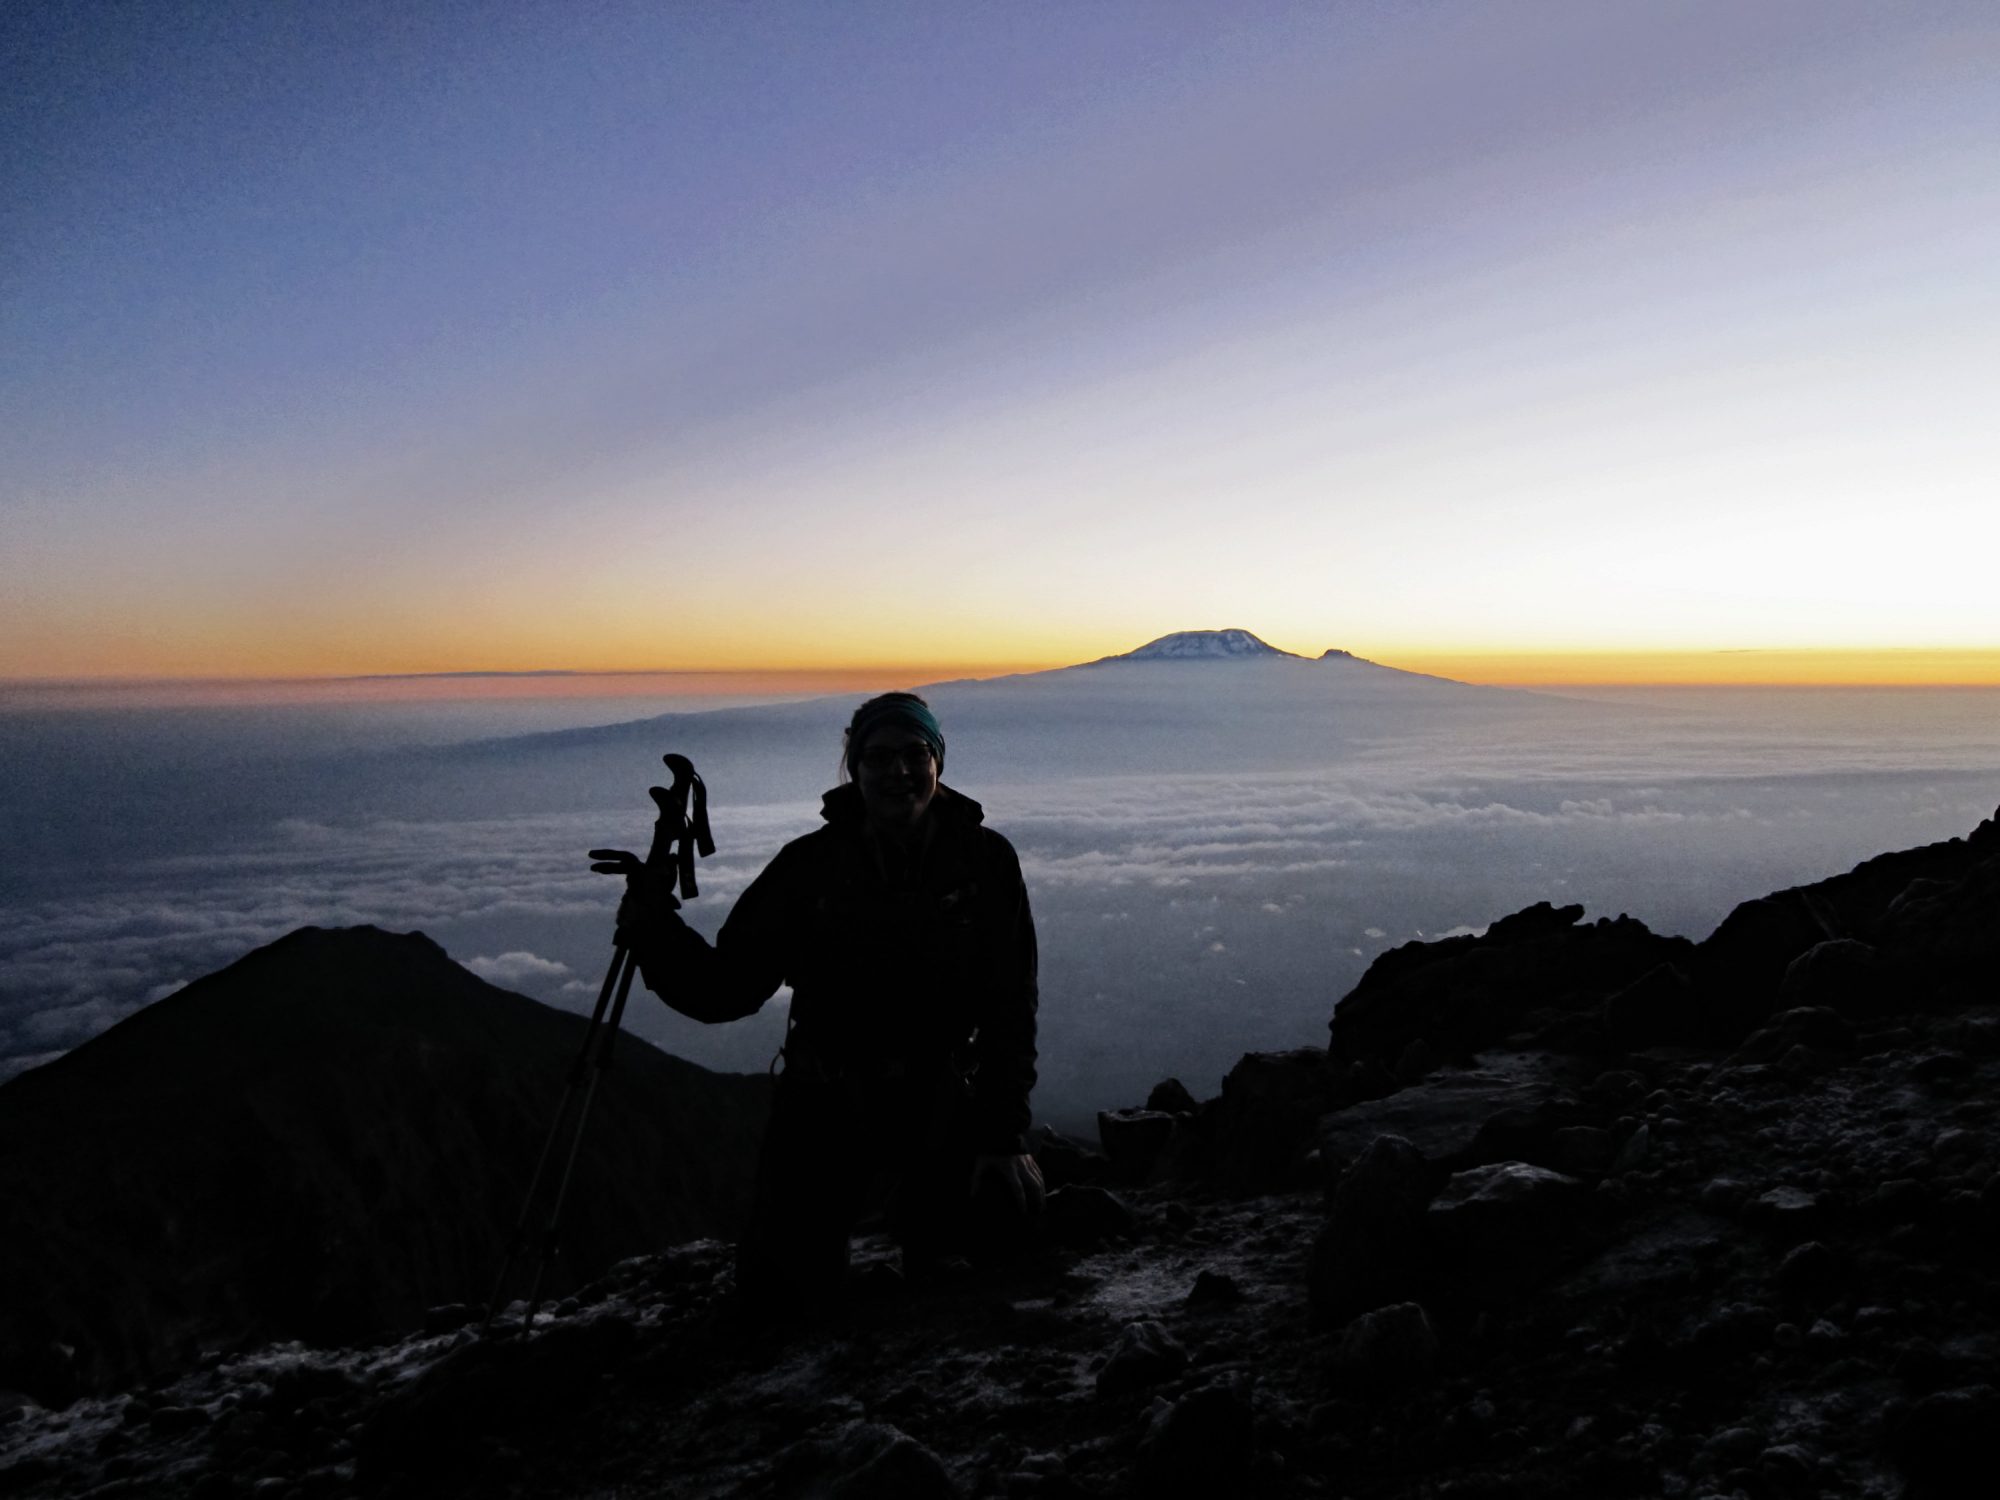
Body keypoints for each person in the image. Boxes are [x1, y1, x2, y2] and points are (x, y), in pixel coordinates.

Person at [604, 691, 1043, 1314]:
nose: (898, 771)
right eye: (878, 757)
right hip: (830, 1101)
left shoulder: (986, 860)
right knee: (780, 1300)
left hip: (944, 1096)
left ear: (938, 761)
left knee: (997, 1248)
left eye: (914, 753)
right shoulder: (808, 868)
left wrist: (1005, 1136)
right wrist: (657, 933)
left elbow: (1010, 1001)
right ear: (854, 769)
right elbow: (726, 986)